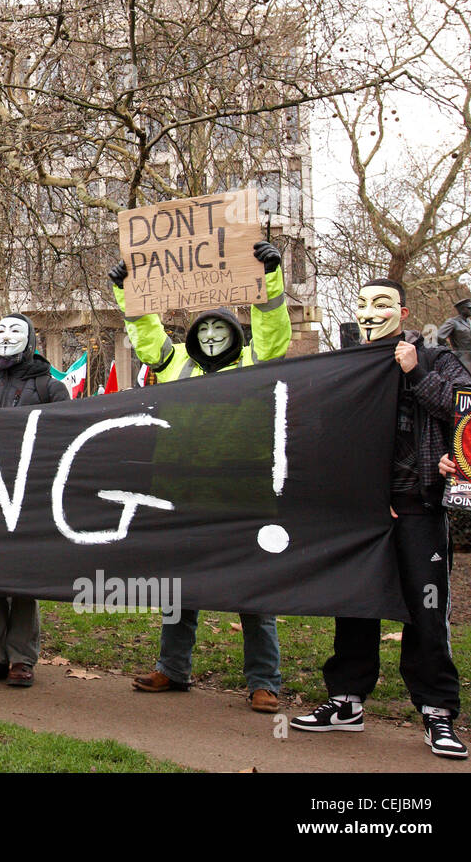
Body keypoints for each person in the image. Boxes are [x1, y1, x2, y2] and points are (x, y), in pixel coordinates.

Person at [291, 278, 471, 760]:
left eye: (383, 304)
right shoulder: (347, 363)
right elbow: (329, 433)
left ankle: (437, 713)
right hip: (364, 510)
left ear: (405, 313)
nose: (371, 312)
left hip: (420, 508)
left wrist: (416, 375)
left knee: (425, 610)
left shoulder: (434, 358)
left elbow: (469, 415)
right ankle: (346, 701)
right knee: (355, 601)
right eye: (363, 304)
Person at [110, 241, 290, 712]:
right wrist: (127, 292)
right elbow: (148, 339)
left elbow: (272, 331)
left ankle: (263, 681)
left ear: (233, 333)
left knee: (253, 592)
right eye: (204, 328)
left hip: (242, 498)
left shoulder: (254, 363)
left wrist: (270, 276)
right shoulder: (177, 367)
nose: (211, 334)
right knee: (178, 588)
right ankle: (172, 669)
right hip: (183, 497)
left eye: (219, 327)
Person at [0, 315, 69, 688]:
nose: (6, 337)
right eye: (0, 330)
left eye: (15, 331)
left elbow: (62, 441)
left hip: (30, 496)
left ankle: (22, 658)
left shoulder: (51, 388)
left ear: (30, 342)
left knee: (24, 576)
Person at [437, 297, 471, 382]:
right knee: (462, 383)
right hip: (460, 359)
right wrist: (449, 351)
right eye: (469, 308)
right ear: (462, 309)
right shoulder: (453, 322)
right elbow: (439, 336)